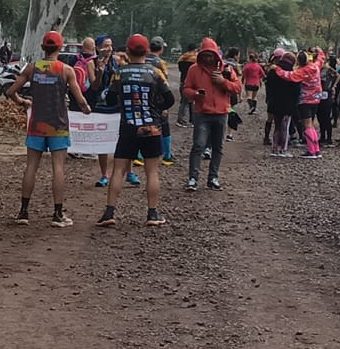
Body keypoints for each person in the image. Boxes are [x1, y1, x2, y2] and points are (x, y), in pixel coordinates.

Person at [7, 32, 91, 227]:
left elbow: (10, 91)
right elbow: (80, 100)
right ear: (60, 48)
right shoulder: (66, 70)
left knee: (31, 167)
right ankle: (58, 214)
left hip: (36, 124)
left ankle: (23, 212)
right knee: (58, 168)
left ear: (43, 48)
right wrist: (87, 110)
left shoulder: (32, 68)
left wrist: (22, 102)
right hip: (58, 125)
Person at [101, 34, 172, 227]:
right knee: (152, 171)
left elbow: (109, 99)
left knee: (118, 170)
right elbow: (170, 99)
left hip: (128, 127)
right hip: (151, 127)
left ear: (128, 51)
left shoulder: (120, 73)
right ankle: (152, 214)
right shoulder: (155, 72)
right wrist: (155, 108)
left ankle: (109, 213)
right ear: (146, 51)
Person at [181, 38, 241, 190]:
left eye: (211, 55)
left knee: (218, 147)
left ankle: (213, 177)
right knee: (198, 145)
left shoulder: (226, 69)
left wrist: (223, 82)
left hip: (221, 113)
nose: (208, 59)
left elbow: (237, 88)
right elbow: (186, 89)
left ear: (216, 55)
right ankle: (193, 178)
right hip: (202, 113)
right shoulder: (194, 70)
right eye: (205, 55)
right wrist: (195, 94)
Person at [88, 36, 118, 187]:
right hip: (100, 106)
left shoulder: (117, 61)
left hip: (116, 105)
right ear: (98, 48)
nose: (109, 49)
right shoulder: (91, 63)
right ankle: (104, 174)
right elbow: (94, 86)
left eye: (111, 45)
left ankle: (127, 172)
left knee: (122, 140)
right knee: (102, 141)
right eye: (106, 45)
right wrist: (100, 71)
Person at [263, 51, 301, 156]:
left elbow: (268, 86)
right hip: (288, 104)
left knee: (277, 126)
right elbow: (296, 90)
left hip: (274, 102)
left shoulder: (273, 71)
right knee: (285, 127)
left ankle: (275, 148)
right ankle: (283, 149)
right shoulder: (292, 73)